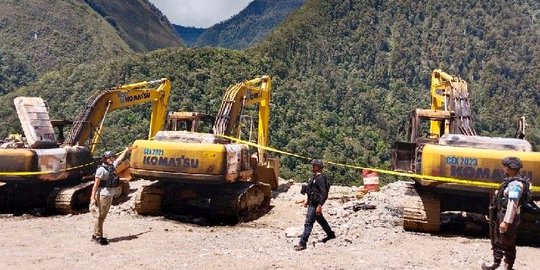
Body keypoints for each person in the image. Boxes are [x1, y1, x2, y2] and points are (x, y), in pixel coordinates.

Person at [482, 156, 531, 270]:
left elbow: (512, 204)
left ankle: (507, 265)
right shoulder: (511, 182)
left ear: (512, 168)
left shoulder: (516, 185)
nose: (504, 169)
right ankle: (496, 263)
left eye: (506, 167)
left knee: (507, 240)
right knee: (498, 238)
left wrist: (506, 221)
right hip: (502, 213)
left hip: (508, 215)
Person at [90, 147, 131, 245]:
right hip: (103, 194)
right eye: (109, 158)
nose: (111, 159)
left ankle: (96, 235)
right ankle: (97, 236)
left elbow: (119, 159)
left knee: (102, 216)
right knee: (100, 216)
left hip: (109, 194)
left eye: (112, 158)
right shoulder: (101, 170)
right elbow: (95, 185)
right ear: (105, 158)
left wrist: (126, 151)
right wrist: (92, 198)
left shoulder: (112, 166)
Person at [294, 159, 336, 251]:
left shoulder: (320, 179)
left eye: (314, 165)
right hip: (312, 202)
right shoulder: (314, 177)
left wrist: (320, 205)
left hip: (315, 204)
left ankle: (302, 243)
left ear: (318, 167)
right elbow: (311, 190)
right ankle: (330, 234)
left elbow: (324, 193)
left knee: (308, 223)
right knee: (321, 220)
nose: (312, 167)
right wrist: (308, 200)